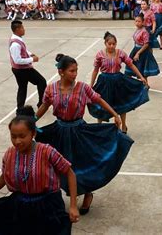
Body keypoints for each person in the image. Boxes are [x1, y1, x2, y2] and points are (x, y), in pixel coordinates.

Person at [35, 54, 133, 215]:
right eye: (72, 71)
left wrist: (115, 114)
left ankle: (88, 193)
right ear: (61, 72)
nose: (75, 74)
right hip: (59, 131)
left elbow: (99, 100)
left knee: (84, 163)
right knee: (56, 166)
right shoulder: (51, 89)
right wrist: (32, 121)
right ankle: (57, 196)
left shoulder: (82, 88)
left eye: (76, 70)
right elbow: (45, 106)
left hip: (79, 131)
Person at [0, 106, 79, 234]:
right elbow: (4, 177)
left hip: (48, 205)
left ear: (33, 133)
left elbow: (70, 173)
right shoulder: (9, 154)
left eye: (22, 136)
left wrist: (73, 206)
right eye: (13, 136)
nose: (17, 141)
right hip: (21, 206)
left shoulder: (47, 151)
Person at [89, 32, 149, 133]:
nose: (112, 46)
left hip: (118, 81)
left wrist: (141, 77)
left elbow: (131, 65)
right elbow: (95, 70)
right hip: (104, 81)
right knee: (100, 104)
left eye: (114, 44)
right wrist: (91, 85)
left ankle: (123, 126)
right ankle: (99, 126)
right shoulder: (100, 54)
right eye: (109, 44)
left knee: (121, 104)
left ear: (116, 44)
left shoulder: (120, 53)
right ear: (105, 43)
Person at [9, 20, 47, 114]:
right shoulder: (15, 44)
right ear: (17, 29)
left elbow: (24, 50)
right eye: (22, 28)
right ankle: (41, 103)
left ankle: (20, 108)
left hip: (19, 69)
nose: (24, 29)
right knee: (41, 81)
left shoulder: (17, 39)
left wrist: (30, 54)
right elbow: (17, 60)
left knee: (22, 87)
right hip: (22, 69)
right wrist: (32, 59)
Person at [125, 14, 161, 78]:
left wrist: (138, 53)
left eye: (139, 21)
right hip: (136, 49)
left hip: (143, 52)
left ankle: (145, 85)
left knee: (142, 71)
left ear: (143, 22)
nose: (137, 23)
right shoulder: (137, 30)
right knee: (132, 69)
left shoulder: (144, 31)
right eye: (136, 21)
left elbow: (146, 44)